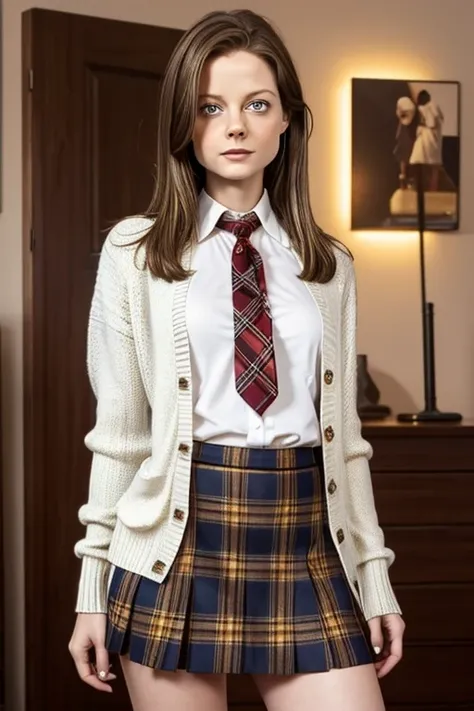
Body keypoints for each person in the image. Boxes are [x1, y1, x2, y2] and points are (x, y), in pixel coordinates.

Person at [68, 9, 404, 711]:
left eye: (258, 104)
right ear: (184, 124)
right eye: (210, 107)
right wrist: (90, 592)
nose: (235, 126)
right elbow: (122, 436)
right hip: (176, 543)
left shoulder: (329, 264)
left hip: (305, 534)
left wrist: (374, 576)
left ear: (287, 120)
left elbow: (349, 442)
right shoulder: (134, 253)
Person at [409, 89, 444, 191]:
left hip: (429, 139)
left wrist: (422, 125)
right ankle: (431, 187)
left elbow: (431, 123)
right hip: (433, 140)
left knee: (420, 162)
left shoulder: (428, 108)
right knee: (433, 166)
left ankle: (426, 187)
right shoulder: (434, 107)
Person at [393, 96, 418, 189]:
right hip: (405, 141)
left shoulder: (411, 114)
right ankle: (403, 177)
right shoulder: (402, 123)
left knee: (411, 158)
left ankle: (411, 179)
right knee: (403, 158)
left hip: (409, 140)